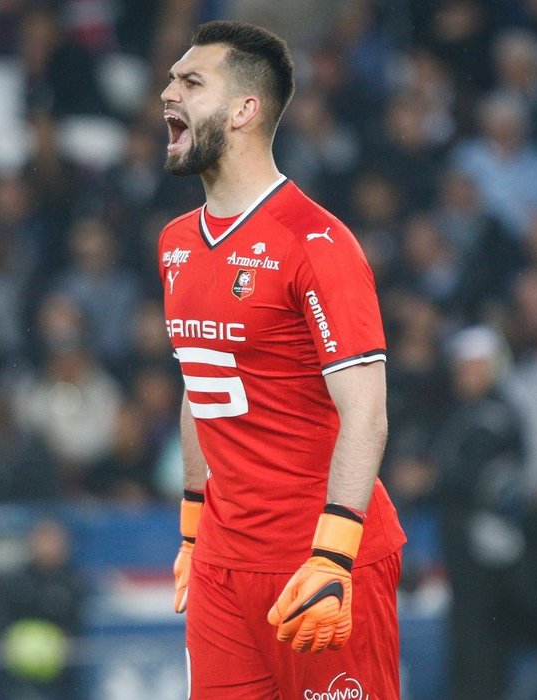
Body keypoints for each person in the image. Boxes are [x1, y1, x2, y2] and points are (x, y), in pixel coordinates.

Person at [156, 21, 406, 698]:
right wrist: (191, 532)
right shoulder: (176, 243)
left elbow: (368, 412)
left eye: (190, 82)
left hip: (316, 561)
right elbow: (199, 383)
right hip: (222, 564)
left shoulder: (316, 241)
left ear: (244, 110)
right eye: (173, 78)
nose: (166, 93)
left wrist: (333, 555)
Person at [431, 327, 526, 700]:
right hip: (468, 541)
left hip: (487, 542)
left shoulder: (493, 416)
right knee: (471, 629)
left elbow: (481, 480)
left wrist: (434, 478)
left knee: (480, 631)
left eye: (472, 368)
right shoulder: (468, 413)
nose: (463, 376)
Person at [0, 519, 88, 700]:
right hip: (13, 675)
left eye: (53, 540)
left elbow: (78, 628)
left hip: (62, 678)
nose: (48, 547)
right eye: (42, 539)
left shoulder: (76, 584)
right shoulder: (10, 582)